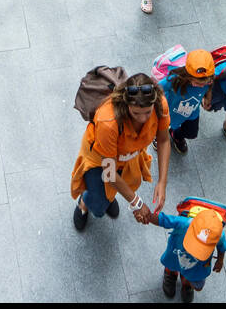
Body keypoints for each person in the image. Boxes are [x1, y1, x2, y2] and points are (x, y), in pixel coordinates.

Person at [71, 72, 170, 231]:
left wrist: (162, 182)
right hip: (99, 160)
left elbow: (164, 140)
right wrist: (137, 203)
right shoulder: (108, 122)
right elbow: (109, 172)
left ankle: (106, 197)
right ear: (126, 104)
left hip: (128, 156)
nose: (143, 119)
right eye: (136, 113)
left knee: (113, 192)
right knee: (98, 208)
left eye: (147, 112)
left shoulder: (160, 104)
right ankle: (84, 201)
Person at [146, 204, 226, 303]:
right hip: (176, 254)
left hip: (196, 263)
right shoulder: (184, 223)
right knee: (172, 265)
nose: (195, 251)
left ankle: (187, 284)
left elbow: (222, 246)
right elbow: (162, 220)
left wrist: (220, 259)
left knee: (192, 277)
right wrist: (146, 215)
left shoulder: (219, 235)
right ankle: (171, 275)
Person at [162, 51, 215, 155]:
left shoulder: (209, 80)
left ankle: (176, 135)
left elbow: (209, 87)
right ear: (187, 75)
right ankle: (160, 138)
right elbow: (158, 87)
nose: (200, 86)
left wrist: (208, 97)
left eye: (203, 84)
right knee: (162, 128)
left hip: (192, 113)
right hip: (171, 111)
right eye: (196, 83)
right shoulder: (175, 79)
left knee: (192, 133)